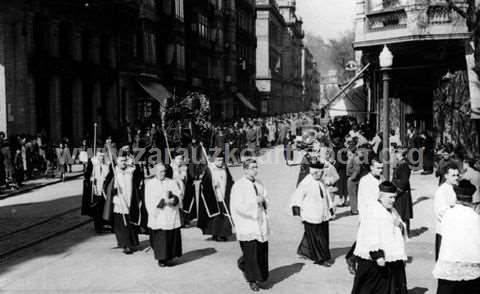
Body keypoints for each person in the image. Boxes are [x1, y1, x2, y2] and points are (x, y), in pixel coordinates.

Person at [351, 181, 408, 294]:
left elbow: (398, 224)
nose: (393, 200)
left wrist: (400, 225)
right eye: (390, 197)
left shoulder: (392, 210)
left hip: (391, 256)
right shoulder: (372, 210)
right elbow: (370, 233)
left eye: (394, 197)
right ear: (381, 196)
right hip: (375, 259)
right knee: (373, 287)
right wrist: (377, 255)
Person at [433, 179, 480, 294]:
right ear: (471, 200)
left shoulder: (447, 214)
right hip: (471, 264)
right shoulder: (475, 217)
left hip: (449, 263)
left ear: (456, 198)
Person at [230, 159, 270, 292]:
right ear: (245, 169)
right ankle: (252, 280)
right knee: (251, 252)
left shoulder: (259, 183)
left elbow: (266, 199)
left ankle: (257, 273)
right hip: (247, 223)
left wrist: (264, 201)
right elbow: (237, 206)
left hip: (260, 222)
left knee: (261, 250)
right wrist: (254, 203)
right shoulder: (239, 185)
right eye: (252, 168)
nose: (255, 170)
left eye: (256, 167)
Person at [291, 162, 335, 266]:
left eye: (322, 172)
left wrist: (331, 208)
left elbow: (326, 196)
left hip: (322, 213)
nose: (322, 174)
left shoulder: (320, 181)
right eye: (320, 173)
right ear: (314, 172)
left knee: (318, 234)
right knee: (317, 237)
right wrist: (297, 210)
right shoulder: (306, 182)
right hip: (311, 214)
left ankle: (305, 251)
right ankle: (321, 259)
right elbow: (297, 196)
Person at [145, 163, 183, 267]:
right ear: (156, 172)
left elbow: (178, 196)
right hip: (159, 215)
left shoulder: (171, 182)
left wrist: (173, 200)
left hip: (170, 213)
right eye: (160, 171)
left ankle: (170, 257)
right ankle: (161, 259)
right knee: (160, 237)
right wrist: (162, 202)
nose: (163, 173)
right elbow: (148, 200)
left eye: (164, 171)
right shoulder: (150, 184)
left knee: (171, 236)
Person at [104, 156, 141, 255]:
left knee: (130, 223)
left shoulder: (132, 171)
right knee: (121, 225)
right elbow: (106, 185)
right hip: (119, 202)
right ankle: (125, 245)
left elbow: (138, 182)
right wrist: (113, 191)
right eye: (121, 161)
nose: (123, 162)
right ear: (117, 162)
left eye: (125, 160)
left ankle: (132, 242)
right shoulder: (114, 171)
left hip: (130, 201)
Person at [198, 152, 234, 241]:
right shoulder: (209, 170)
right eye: (218, 160)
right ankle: (216, 234)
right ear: (214, 160)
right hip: (214, 197)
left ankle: (223, 234)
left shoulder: (225, 168)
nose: (220, 162)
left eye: (221, 160)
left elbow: (230, 180)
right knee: (216, 216)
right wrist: (212, 184)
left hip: (224, 195)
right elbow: (204, 183)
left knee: (225, 215)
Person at [433, 163, 459, 260]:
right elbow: (441, 213)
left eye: (457, 175)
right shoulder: (441, 191)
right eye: (453, 175)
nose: (456, 177)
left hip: (454, 232)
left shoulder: (456, 188)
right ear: (446, 176)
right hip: (444, 232)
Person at [392, 148, 413, 234]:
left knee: (402, 213)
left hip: (402, 193)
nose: (395, 155)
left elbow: (404, 182)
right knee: (402, 212)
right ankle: (403, 231)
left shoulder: (404, 165)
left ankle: (404, 231)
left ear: (400, 154)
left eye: (397, 153)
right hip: (401, 192)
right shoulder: (402, 164)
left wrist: (396, 192)